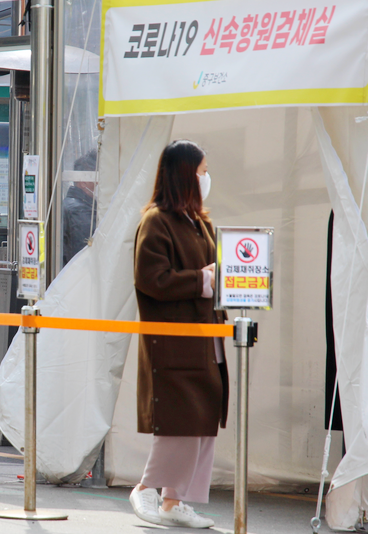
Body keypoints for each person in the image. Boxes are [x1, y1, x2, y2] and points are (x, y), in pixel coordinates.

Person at [128, 140, 228, 529]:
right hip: (173, 344)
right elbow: (152, 279)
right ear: (185, 175)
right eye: (202, 171)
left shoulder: (199, 221)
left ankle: (174, 501)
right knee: (178, 424)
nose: (206, 179)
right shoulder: (156, 221)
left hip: (206, 340)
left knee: (202, 423)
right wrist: (201, 281)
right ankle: (147, 488)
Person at [62, 181, 97, 265]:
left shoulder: (67, 203)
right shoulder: (80, 210)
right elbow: (84, 249)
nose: (97, 184)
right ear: (83, 183)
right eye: (94, 181)